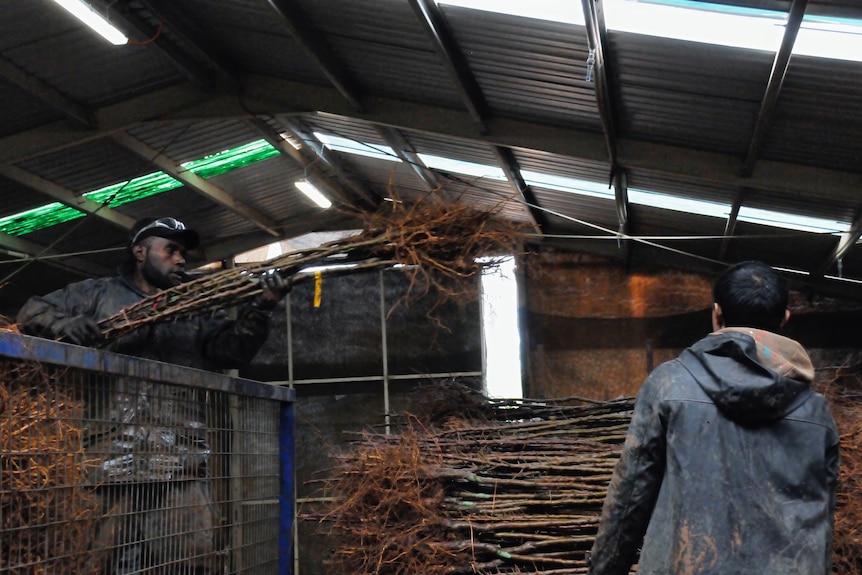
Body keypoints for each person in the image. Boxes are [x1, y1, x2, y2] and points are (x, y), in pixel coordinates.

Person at [16, 216, 292, 574]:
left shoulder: (195, 308)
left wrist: (262, 307)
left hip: (179, 463)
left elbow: (232, 351)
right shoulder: (95, 295)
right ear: (140, 252)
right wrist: (64, 324)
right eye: (172, 250)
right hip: (107, 465)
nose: (181, 260)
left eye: (183, 254)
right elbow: (30, 311)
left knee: (196, 562)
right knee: (93, 564)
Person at [587, 260, 840, 575]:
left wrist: (605, 569)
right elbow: (821, 519)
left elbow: (630, 496)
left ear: (717, 313)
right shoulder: (816, 413)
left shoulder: (669, 384)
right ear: (785, 318)